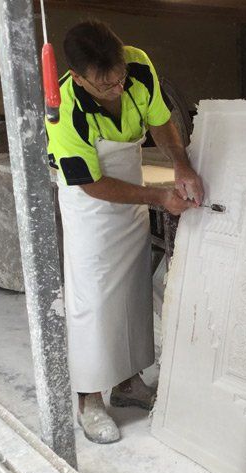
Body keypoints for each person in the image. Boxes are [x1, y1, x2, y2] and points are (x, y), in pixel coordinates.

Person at [46, 19, 203, 444]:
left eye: (119, 79)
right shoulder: (64, 108)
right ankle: (89, 399)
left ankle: (128, 384)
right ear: (78, 78)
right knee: (93, 301)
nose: (116, 89)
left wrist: (180, 162)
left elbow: (161, 119)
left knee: (131, 293)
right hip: (92, 202)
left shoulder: (137, 65)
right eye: (104, 86)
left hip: (130, 181)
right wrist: (156, 197)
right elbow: (92, 183)